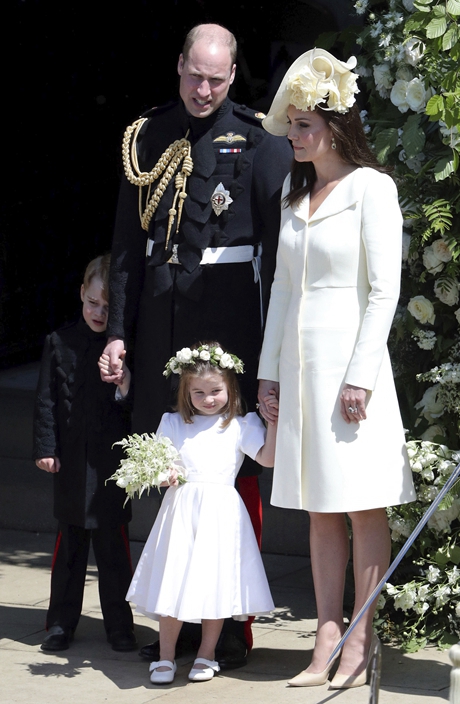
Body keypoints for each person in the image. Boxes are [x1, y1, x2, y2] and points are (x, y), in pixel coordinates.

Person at [102, 22, 293, 666]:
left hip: (229, 324)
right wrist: (122, 333)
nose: (203, 88)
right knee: (165, 467)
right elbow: (129, 248)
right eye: (194, 74)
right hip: (162, 326)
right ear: (178, 64)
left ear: (233, 77)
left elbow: (283, 249)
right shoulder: (149, 135)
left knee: (229, 475)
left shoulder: (261, 141)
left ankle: (230, 622)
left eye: (215, 78)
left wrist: (274, 353)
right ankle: (172, 618)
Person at [257, 48, 416, 689]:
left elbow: (384, 290)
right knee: (321, 508)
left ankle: (359, 639)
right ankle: (325, 636)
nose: (293, 135)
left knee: (360, 507)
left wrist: (361, 375)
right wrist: (268, 375)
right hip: (301, 372)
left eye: (303, 124)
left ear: (334, 125)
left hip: (352, 371)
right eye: (290, 123)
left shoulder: (371, 188)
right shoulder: (297, 196)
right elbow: (284, 294)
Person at [123, 342, 277, 684]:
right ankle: (165, 655)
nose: (208, 399)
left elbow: (267, 458)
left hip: (221, 512)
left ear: (230, 388)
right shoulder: (173, 422)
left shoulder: (241, 424)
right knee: (172, 580)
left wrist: (274, 423)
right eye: (199, 392)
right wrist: (165, 476)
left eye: (216, 391)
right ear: (185, 391)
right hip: (181, 511)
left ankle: (206, 653)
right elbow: (160, 466)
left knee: (214, 584)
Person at [33, 254, 137, 653]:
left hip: (111, 463)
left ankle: (119, 625)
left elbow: (133, 407)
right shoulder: (59, 342)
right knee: (70, 546)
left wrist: (125, 384)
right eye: (93, 302)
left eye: (108, 307)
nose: (98, 312)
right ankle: (60, 622)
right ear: (81, 294)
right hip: (72, 462)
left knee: (113, 548)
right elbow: (46, 401)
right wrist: (46, 448)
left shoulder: (123, 350)